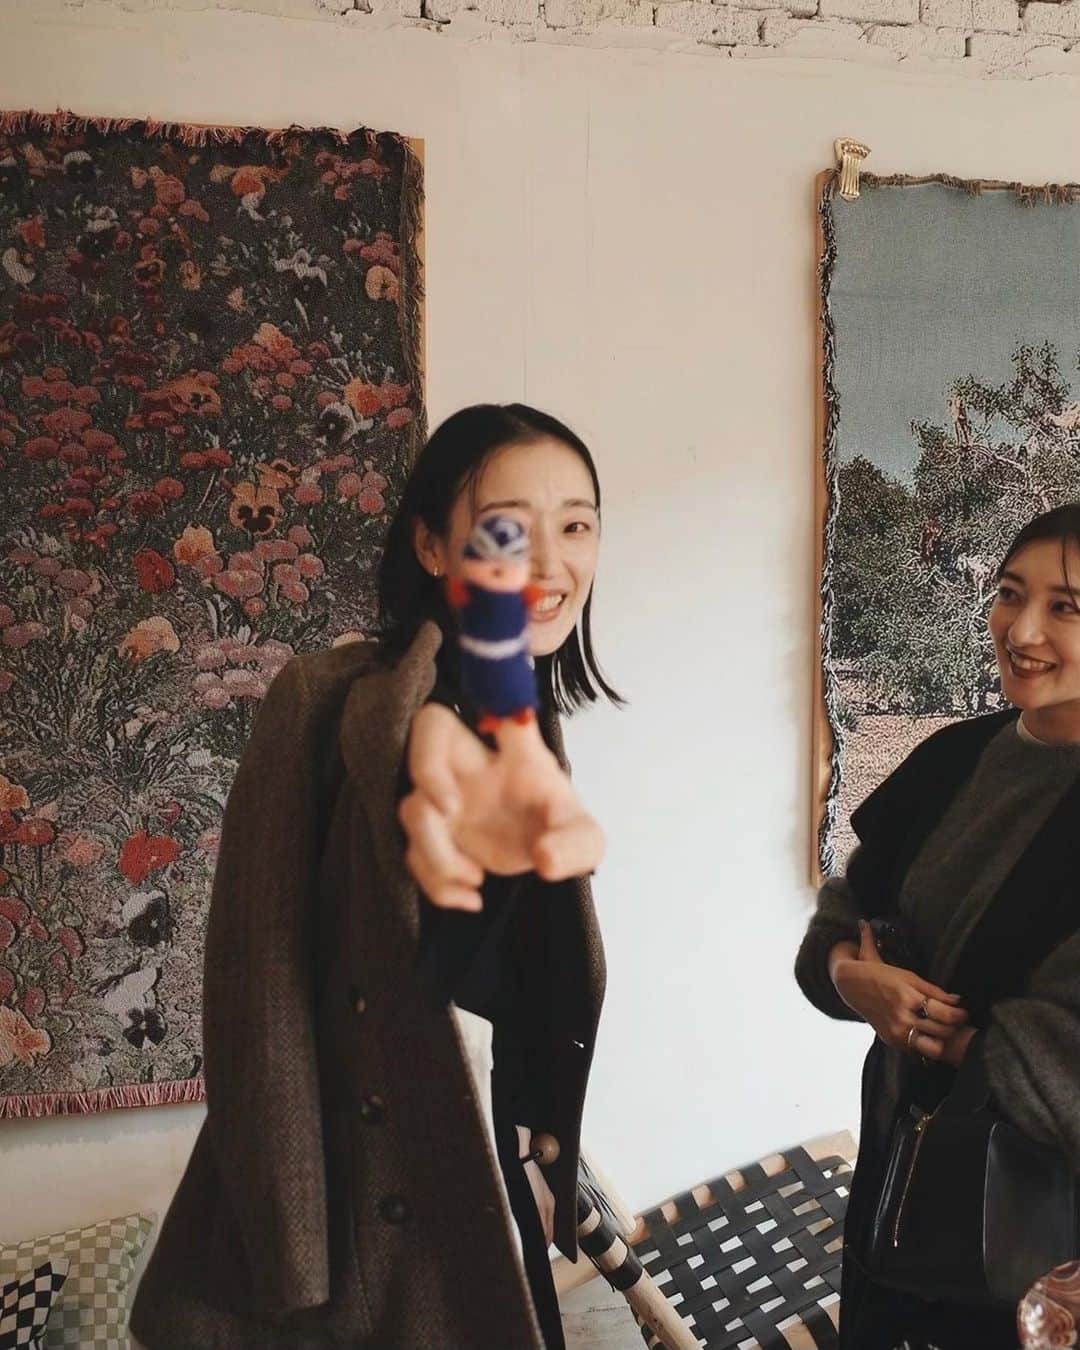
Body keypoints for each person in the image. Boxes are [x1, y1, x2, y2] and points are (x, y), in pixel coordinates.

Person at [130, 403, 620, 1350]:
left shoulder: (526, 721)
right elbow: (259, 985)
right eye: (508, 526)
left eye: (576, 525)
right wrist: (293, 1256)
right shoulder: (323, 698)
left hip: (483, 1177)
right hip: (361, 1219)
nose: (552, 563)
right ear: (432, 545)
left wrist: (541, 1145)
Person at [796, 503, 1080, 1350]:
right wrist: (850, 976)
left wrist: (941, 1035)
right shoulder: (952, 757)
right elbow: (848, 909)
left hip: (1041, 1239)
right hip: (900, 1182)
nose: (1021, 631)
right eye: (1010, 593)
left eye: (1066, 607)